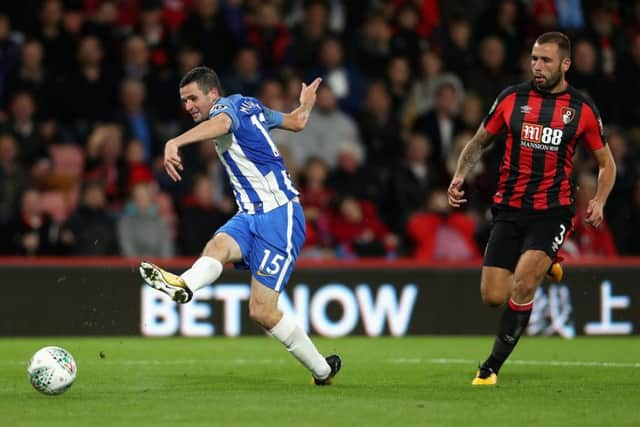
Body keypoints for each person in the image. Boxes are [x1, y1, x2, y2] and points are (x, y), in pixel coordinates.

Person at [138, 66, 341, 385]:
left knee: (262, 311)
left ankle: (322, 370)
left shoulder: (226, 108)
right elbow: (297, 122)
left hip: (280, 215)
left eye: (193, 98)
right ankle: (185, 286)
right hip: (249, 214)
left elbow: (222, 123)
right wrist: (306, 103)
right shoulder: (252, 104)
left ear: (213, 94)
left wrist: (175, 142)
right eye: (184, 101)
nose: (189, 106)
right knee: (217, 246)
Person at [447, 32, 616, 386]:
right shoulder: (512, 98)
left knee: (524, 284)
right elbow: (479, 141)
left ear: (565, 64)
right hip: (509, 207)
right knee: (493, 296)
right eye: (535, 59)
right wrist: (460, 174)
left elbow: (606, 164)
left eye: (546, 60)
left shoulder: (582, 110)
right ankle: (548, 264)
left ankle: (490, 367)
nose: (537, 67)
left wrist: (598, 199)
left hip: (552, 210)